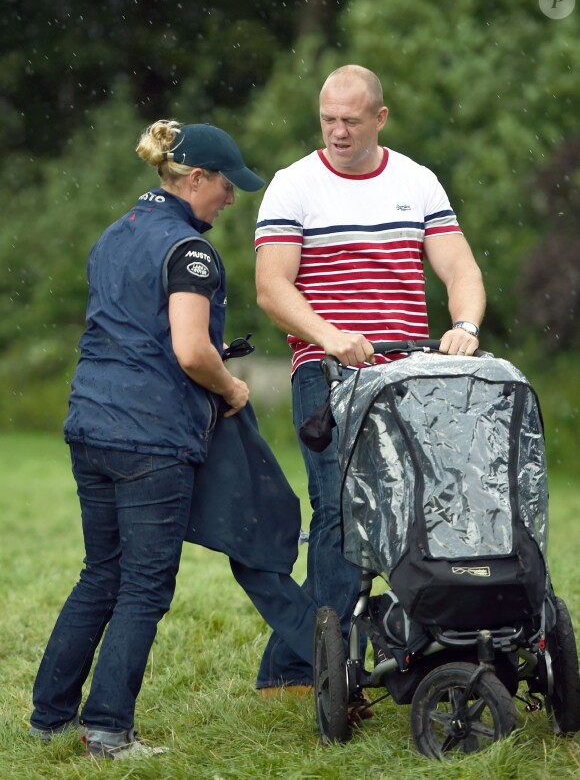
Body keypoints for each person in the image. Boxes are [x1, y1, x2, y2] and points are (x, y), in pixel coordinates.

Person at [29, 119, 268, 759]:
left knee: (99, 573)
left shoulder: (116, 233)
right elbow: (191, 350)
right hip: (149, 438)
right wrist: (231, 388)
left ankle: (51, 716)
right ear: (195, 179)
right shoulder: (191, 251)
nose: (231, 197)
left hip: (90, 423)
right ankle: (107, 730)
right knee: (143, 584)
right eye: (225, 185)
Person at [254, 64, 486, 693]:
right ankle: (312, 668)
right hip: (326, 375)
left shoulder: (417, 181)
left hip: (409, 377)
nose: (337, 131)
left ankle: (411, 651)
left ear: (379, 118)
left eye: (350, 121)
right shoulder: (292, 185)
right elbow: (272, 287)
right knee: (337, 513)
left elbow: (458, 264)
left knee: (419, 511)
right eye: (328, 119)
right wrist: (329, 336)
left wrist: (463, 323)